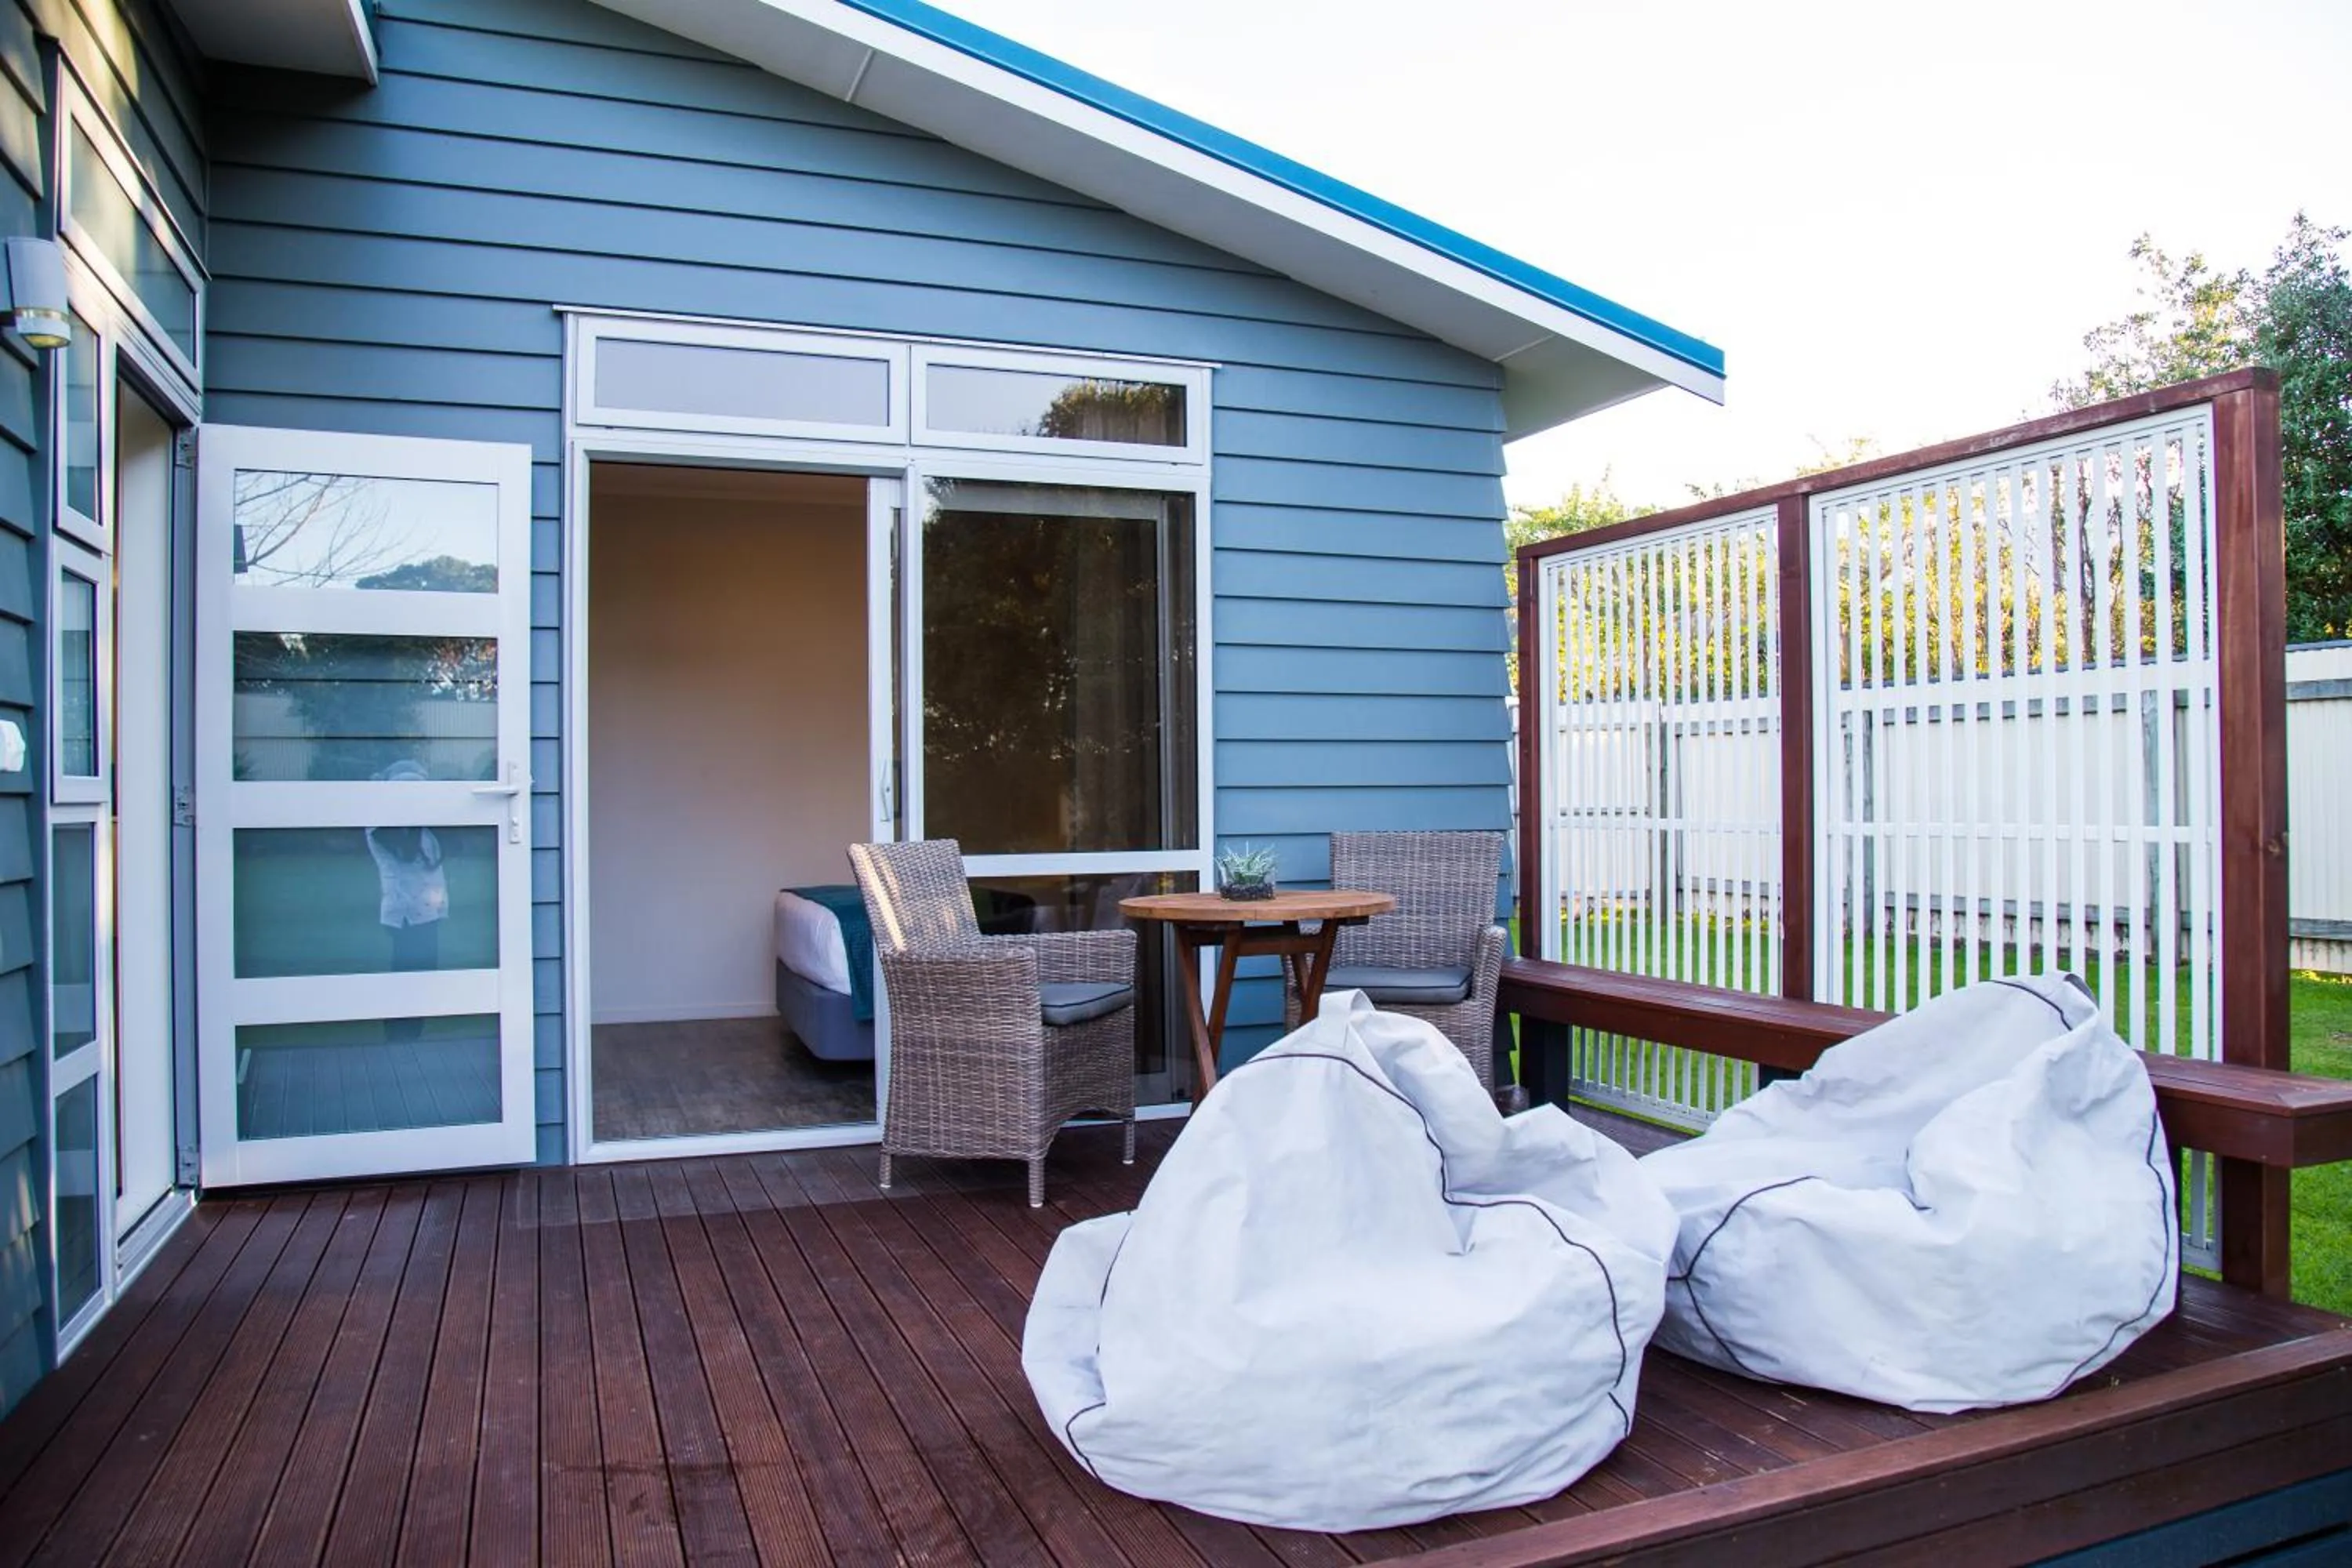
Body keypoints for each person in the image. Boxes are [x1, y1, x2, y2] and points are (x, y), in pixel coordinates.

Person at [365, 759, 446, 1043]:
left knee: (424, 978)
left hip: (428, 912)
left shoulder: (416, 824)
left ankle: (412, 1036)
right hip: (405, 915)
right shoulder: (380, 826)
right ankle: (399, 1036)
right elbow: (407, 853)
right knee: (406, 978)